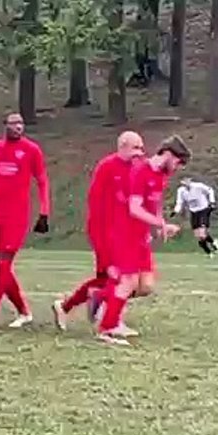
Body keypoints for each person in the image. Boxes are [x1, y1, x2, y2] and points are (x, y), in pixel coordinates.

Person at [97, 135, 191, 346]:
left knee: (146, 286)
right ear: (168, 154)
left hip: (141, 236)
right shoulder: (140, 171)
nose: (177, 167)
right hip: (125, 233)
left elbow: (154, 203)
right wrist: (160, 224)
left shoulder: (161, 175)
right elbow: (134, 208)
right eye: (177, 162)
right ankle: (107, 328)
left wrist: (160, 225)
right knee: (128, 281)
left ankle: (102, 298)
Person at [52, 131, 144, 331]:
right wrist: (101, 238)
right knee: (117, 276)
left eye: (141, 148)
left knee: (107, 279)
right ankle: (110, 317)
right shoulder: (107, 167)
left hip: (124, 233)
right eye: (135, 148)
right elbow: (96, 204)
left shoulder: (137, 169)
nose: (140, 153)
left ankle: (67, 306)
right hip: (104, 231)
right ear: (122, 146)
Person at [0, 112, 51, 330]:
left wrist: (44, 212)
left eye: (21, 123)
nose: (18, 127)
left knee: (4, 264)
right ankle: (24, 312)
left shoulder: (31, 150)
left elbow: (42, 180)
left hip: (18, 216)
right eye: (13, 123)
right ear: (4, 125)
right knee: (1, 269)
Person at [173, 177, 218, 256]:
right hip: (194, 212)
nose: (185, 183)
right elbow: (179, 202)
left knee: (202, 234)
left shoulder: (198, 186)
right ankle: (209, 252)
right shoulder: (181, 191)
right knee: (199, 236)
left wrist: (212, 202)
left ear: (190, 181)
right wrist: (176, 211)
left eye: (187, 180)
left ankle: (213, 245)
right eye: (183, 181)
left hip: (203, 210)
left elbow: (210, 190)